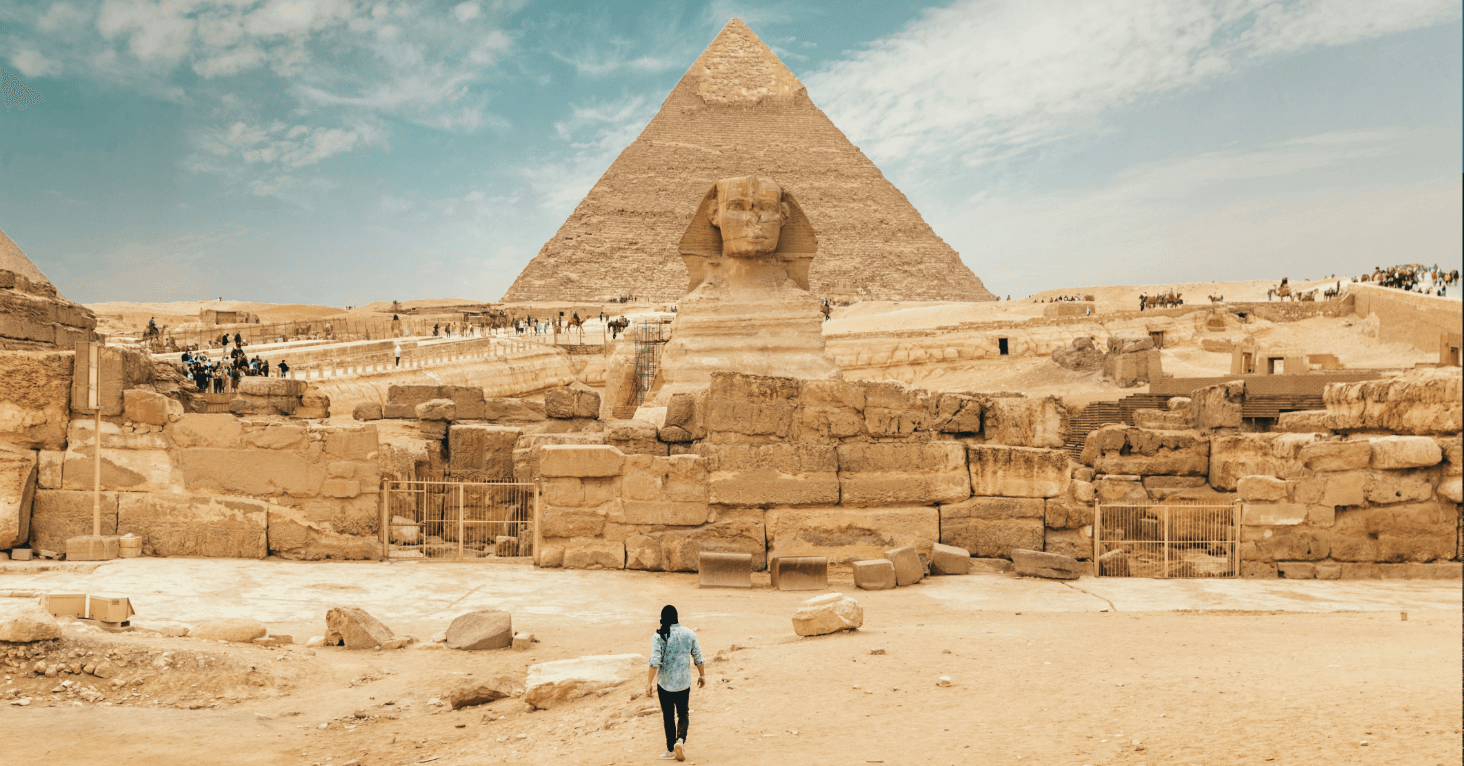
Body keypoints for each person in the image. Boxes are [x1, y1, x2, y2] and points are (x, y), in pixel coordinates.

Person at [646, 605, 704, 762]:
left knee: (668, 716)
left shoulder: (659, 636)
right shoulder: (689, 633)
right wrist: (702, 675)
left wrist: (648, 683)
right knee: (683, 713)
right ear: (677, 616)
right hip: (684, 682)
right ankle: (680, 740)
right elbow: (698, 656)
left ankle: (671, 749)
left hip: (664, 683)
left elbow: (654, 661)